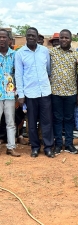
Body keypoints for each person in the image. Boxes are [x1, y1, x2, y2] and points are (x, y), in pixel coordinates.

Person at [15, 27, 54, 158]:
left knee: (47, 121)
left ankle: (48, 147)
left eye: (33, 35)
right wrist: (21, 95)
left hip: (45, 92)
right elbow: (18, 75)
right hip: (30, 94)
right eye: (29, 35)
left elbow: (48, 70)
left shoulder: (44, 51)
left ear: (38, 38)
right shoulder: (20, 53)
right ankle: (35, 148)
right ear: (26, 37)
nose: (31, 37)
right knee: (31, 123)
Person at [50, 29, 78, 155]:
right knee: (57, 119)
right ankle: (58, 145)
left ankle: (69, 144)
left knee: (69, 119)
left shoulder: (76, 54)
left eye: (66, 37)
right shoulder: (52, 53)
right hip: (55, 92)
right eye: (61, 37)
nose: (63, 40)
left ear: (70, 39)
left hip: (71, 93)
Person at [0, 28, 20, 157]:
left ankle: (11, 147)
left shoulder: (15, 55)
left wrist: (18, 93)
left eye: (4, 37)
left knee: (10, 121)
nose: (1, 39)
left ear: (9, 40)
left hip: (9, 93)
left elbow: (18, 74)